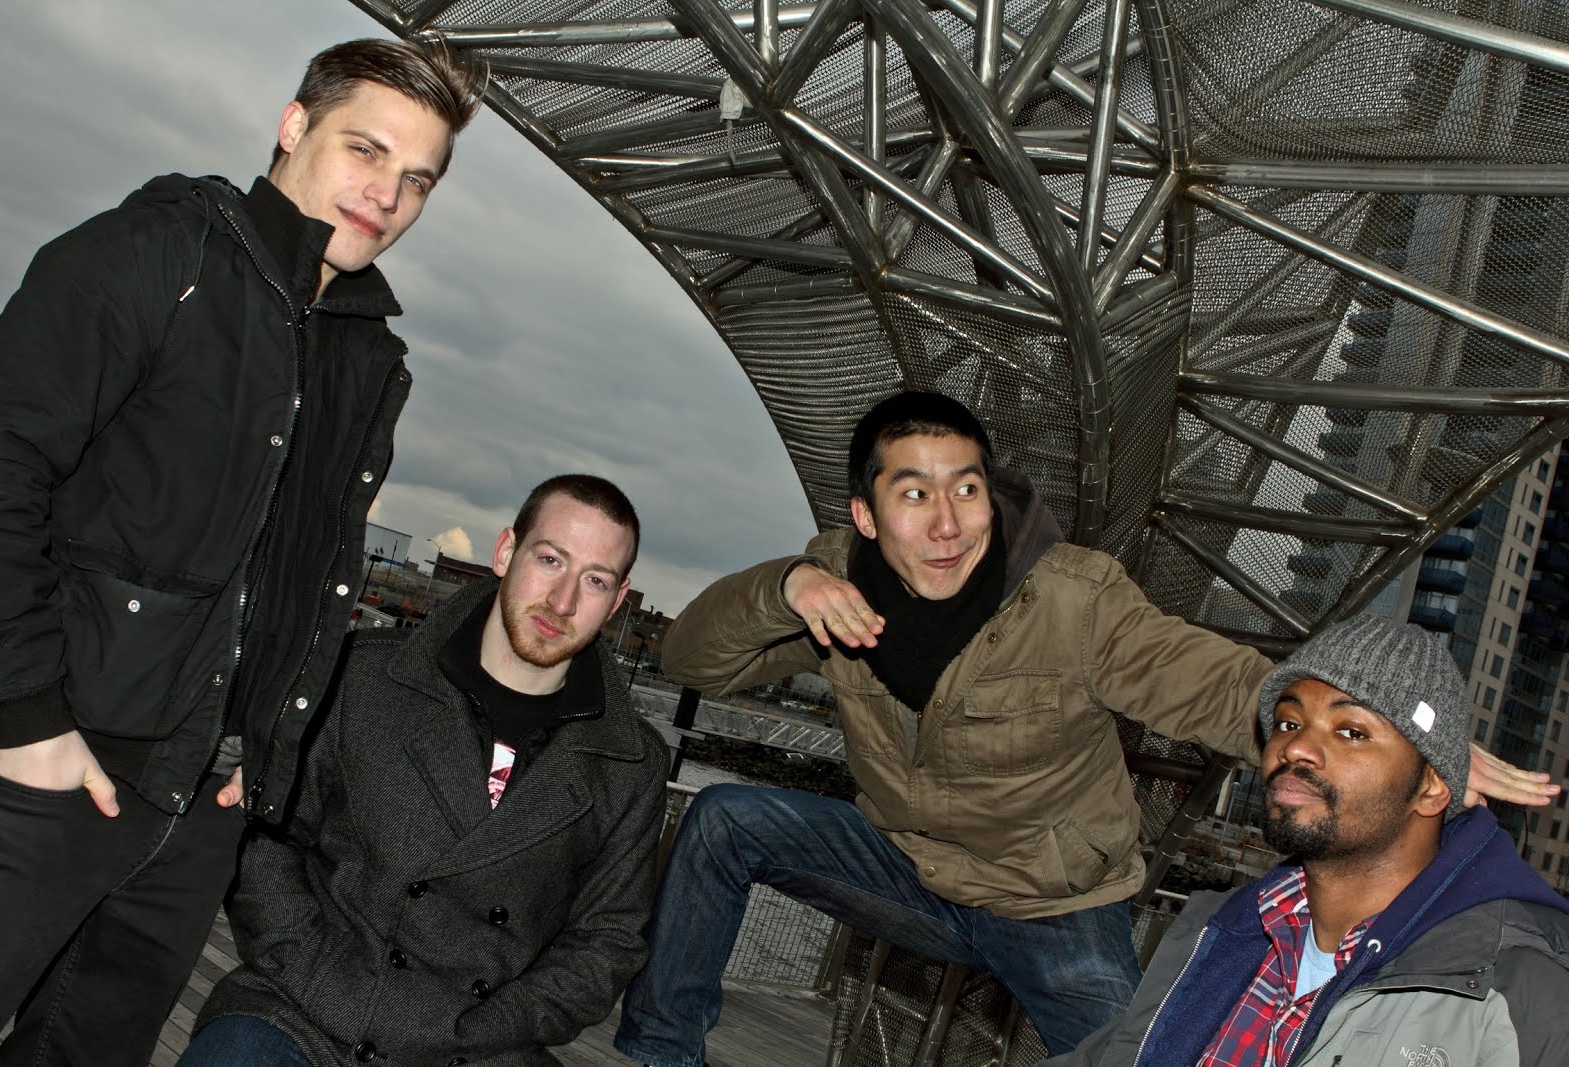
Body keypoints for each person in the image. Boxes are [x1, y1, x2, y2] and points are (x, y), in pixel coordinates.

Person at [612, 390, 1559, 1065]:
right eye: (913, 494)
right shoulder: (833, 590)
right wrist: (784, 586)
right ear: (865, 513)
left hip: (1055, 905)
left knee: (1149, 1049)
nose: (947, 524)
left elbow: (1200, 678)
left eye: (966, 489)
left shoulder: (1071, 597)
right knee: (724, 820)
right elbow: (693, 659)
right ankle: (659, 1051)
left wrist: (1381, 731)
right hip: (909, 867)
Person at [0, 38, 485, 1064]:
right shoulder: (156, 255)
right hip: (51, 757)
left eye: (418, 178)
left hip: (203, 796)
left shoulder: (365, 352)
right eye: (366, 150)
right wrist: (28, 718)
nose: (388, 194)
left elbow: (300, 574)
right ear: (294, 126)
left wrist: (263, 756)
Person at [180, 474, 669, 1066]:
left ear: (617, 601)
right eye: (550, 560)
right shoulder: (361, 677)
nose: (563, 602)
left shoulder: (630, 765)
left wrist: (491, 1026)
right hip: (303, 1009)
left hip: (477, 1046)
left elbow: (605, 942)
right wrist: (314, 972)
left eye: (595, 580)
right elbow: (268, 836)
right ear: (506, 552)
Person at [1048, 614, 1569, 1066]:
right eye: (1287, 722)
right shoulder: (1225, 934)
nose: (1295, 747)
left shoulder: (1521, 986)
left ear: (1431, 787)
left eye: (1351, 732)